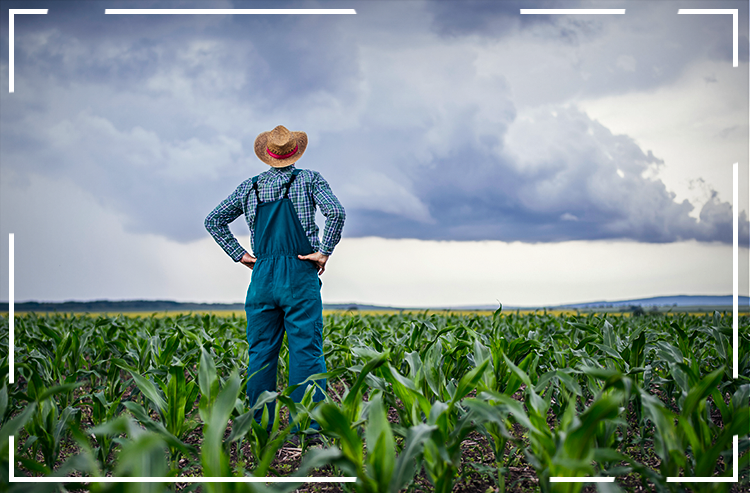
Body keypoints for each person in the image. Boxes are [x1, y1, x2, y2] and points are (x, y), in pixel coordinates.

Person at [204, 125, 345, 431]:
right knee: (306, 351)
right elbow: (336, 212)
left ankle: (260, 428)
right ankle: (306, 430)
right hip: (299, 273)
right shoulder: (310, 179)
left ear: (267, 155)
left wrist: (240, 254)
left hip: (262, 276)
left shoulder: (249, 187)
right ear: (294, 152)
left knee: (261, 353)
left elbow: (213, 220)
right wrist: (324, 252)